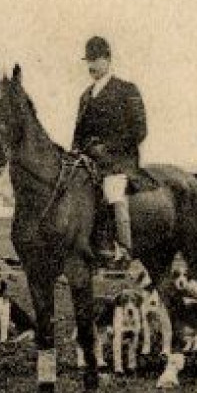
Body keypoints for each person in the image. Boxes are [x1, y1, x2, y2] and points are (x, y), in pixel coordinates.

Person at [70, 35, 147, 265]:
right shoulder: (85, 96)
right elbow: (78, 135)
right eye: (88, 61)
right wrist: (75, 153)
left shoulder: (126, 90)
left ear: (108, 60)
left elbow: (139, 130)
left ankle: (123, 248)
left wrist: (107, 148)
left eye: (96, 59)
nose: (91, 66)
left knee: (113, 191)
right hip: (89, 160)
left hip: (118, 160)